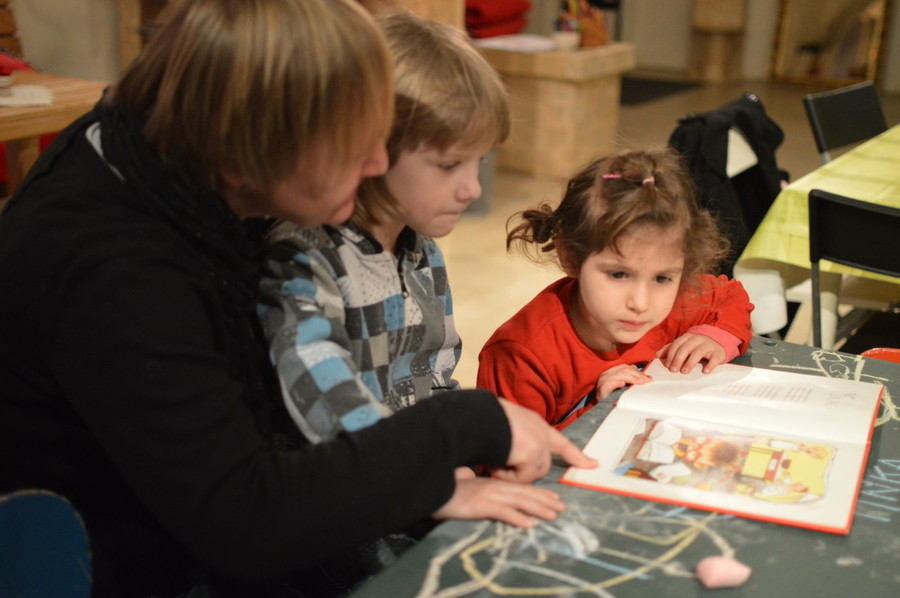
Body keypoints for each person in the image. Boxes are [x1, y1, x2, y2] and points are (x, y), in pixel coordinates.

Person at [0, 1, 595, 597]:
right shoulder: (120, 271)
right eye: (352, 145)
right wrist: (460, 427)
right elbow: (244, 520)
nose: (377, 163)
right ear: (254, 147)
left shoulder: (165, 151)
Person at [257, 8, 556, 584]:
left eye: (478, 162)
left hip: (414, 486)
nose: (472, 188)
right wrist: (431, 482)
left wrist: (460, 468)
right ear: (372, 150)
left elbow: (434, 379)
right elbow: (323, 394)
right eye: (448, 165)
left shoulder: (422, 251)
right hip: (335, 515)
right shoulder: (304, 253)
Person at [477, 148, 754, 430]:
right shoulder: (522, 356)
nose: (641, 303)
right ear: (570, 257)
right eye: (619, 274)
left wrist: (716, 335)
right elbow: (511, 452)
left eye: (662, 279)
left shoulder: (677, 302)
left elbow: (730, 295)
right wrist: (599, 411)